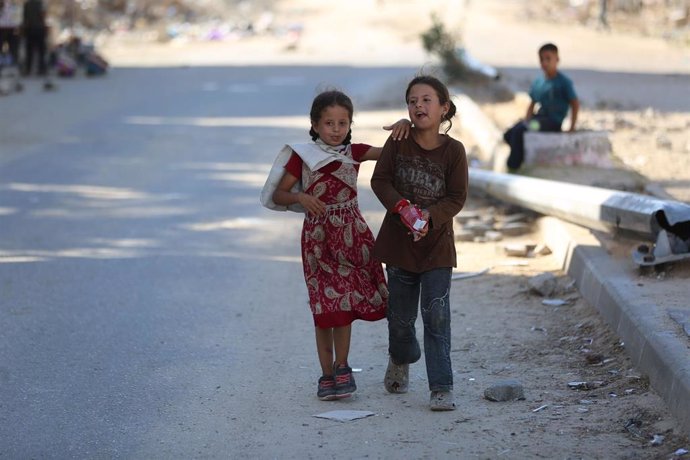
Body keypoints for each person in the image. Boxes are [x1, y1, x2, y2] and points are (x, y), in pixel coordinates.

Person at [268, 90, 410, 401]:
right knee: (324, 307)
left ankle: (342, 366)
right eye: (329, 123)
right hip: (317, 242)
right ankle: (326, 373)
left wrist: (405, 125)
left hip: (351, 237)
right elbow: (279, 195)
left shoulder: (355, 152)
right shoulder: (302, 157)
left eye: (342, 123)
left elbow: (392, 153)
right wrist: (300, 197)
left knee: (344, 304)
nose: (336, 129)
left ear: (350, 124)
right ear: (315, 125)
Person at [370, 75, 468, 411]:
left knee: (437, 316)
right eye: (412, 101)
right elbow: (379, 180)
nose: (418, 106)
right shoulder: (398, 141)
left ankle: (441, 386)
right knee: (399, 318)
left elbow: (457, 197)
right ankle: (401, 357)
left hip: (437, 247)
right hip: (400, 247)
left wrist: (428, 217)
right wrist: (402, 208)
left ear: (444, 108)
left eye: (427, 100)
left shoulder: (454, 151)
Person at [503, 42, 579, 171]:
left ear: (557, 59)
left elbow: (575, 104)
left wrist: (571, 127)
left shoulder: (564, 82)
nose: (544, 63)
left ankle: (513, 166)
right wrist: (526, 120)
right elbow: (532, 104)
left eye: (548, 59)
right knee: (509, 133)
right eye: (542, 59)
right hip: (538, 119)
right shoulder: (539, 82)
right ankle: (522, 156)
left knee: (520, 131)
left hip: (552, 123)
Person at [21, 0, 47, 76]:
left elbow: (25, 18)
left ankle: (28, 69)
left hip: (30, 29)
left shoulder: (27, 4)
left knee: (29, 51)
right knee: (41, 51)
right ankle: (41, 69)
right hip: (39, 29)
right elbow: (43, 15)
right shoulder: (41, 3)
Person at [0, 0, 21, 66]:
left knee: (14, 48)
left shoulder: (14, 5)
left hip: (11, 27)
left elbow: (16, 16)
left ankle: (14, 63)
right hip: (2, 27)